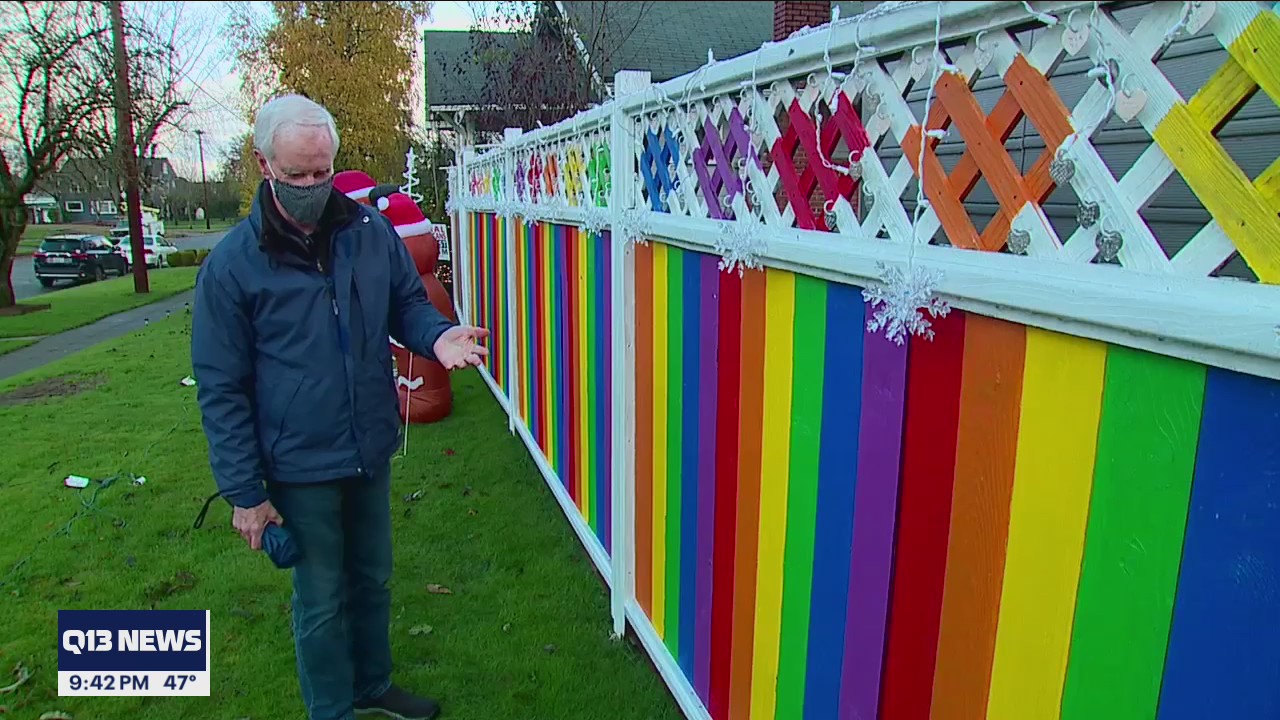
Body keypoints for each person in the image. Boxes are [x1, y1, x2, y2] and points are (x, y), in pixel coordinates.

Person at [190, 94, 487, 720]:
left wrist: (437, 336)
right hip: (298, 464)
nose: (310, 185)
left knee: (372, 578)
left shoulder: (366, 230)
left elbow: (405, 303)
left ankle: (372, 686)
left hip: (369, 443)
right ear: (263, 165)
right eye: (295, 174)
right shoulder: (232, 268)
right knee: (320, 597)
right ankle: (332, 709)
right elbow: (221, 388)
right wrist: (245, 493)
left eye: (321, 172)